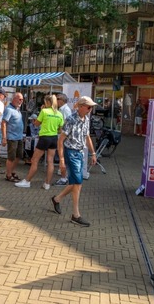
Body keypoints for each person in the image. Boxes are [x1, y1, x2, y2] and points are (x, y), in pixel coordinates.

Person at [50, 96, 98, 226]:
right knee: (77, 183)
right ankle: (75, 215)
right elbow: (60, 140)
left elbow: (87, 137)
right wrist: (61, 160)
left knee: (76, 183)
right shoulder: (70, 119)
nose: (90, 110)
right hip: (70, 152)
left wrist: (93, 153)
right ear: (81, 106)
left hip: (80, 153)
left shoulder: (86, 119)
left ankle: (57, 199)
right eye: (89, 107)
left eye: (91, 107)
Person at [15, 94, 64, 190]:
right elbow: (60, 129)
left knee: (34, 160)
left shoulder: (44, 111)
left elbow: (36, 124)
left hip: (44, 137)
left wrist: (42, 113)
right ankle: (47, 184)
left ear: (47, 102)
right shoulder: (59, 113)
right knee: (50, 161)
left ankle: (27, 181)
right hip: (54, 138)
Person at [2, 92, 24, 182]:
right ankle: (8, 175)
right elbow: (3, 123)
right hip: (12, 137)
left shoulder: (17, 109)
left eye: (22, 99)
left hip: (19, 137)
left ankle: (12, 171)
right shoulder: (9, 109)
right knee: (11, 157)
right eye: (19, 99)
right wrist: (4, 137)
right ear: (14, 99)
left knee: (19, 156)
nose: (21, 101)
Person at [55, 93, 72, 186]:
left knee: (63, 157)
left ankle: (64, 177)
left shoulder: (65, 110)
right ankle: (63, 174)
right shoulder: (62, 109)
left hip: (63, 137)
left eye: (57, 99)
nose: (56, 101)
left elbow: (66, 125)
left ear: (62, 100)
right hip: (61, 136)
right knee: (62, 156)